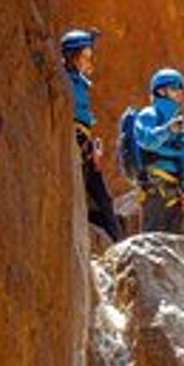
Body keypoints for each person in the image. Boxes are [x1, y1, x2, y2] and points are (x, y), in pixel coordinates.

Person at [61, 28, 122, 241]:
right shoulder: (65, 82)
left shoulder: (78, 82)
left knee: (101, 198)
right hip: (76, 144)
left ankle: (115, 243)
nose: (89, 62)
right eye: (85, 57)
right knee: (93, 198)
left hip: (84, 144)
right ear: (72, 57)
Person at [132, 67, 184, 233]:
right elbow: (145, 140)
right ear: (161, 91)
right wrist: (167, 130)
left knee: (172, 240)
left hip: (176, 192)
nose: (179, 92)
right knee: (153, 238)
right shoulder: (149, 115)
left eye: (180, 88)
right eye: (174, 88)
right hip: (155, 188)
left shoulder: (179, 123)